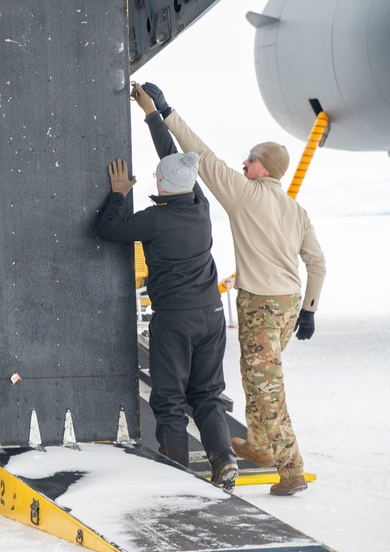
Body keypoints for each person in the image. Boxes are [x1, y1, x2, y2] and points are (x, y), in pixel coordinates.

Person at [146, 82, 325, 496]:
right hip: (288, 305)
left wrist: (167, 112)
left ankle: (291, 468)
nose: (244, 164)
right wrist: (310, 309)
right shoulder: (296, 209)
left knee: (268, 387)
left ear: (264, 168)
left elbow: (203, 157)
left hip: (259, 304)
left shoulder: (244, 195)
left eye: (250, 160)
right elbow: (316, 262)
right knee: (254, 374)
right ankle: (260, 447)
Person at [96, 89, 237, 491]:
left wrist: (119, 194)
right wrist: (152, 115)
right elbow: (173, 159)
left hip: (176, 320)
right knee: (207, 394)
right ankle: (223, 459)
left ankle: (179, 477)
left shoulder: (154, 220)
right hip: (211, 315)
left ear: (160, 185)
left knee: (170, 401)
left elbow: (107, 230)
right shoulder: (199, 206)